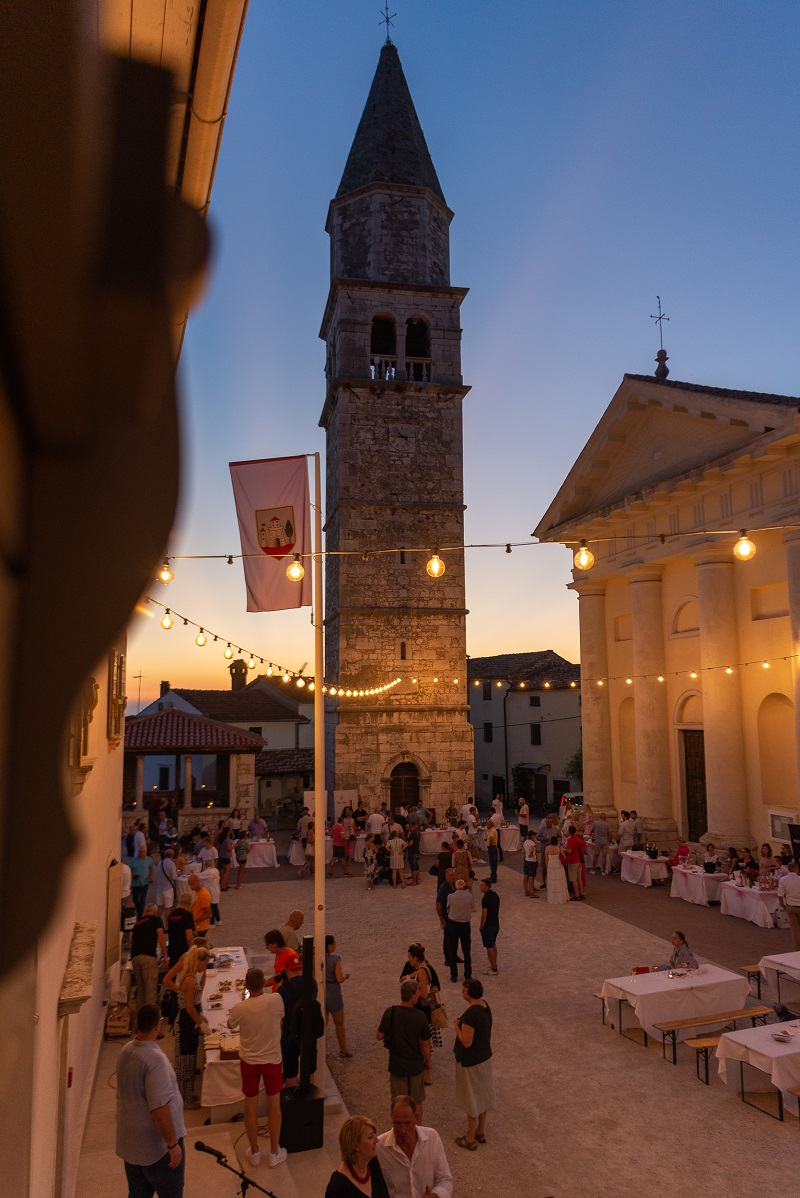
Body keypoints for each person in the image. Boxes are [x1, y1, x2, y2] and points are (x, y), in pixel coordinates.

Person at [116, 1003, 186, 1198]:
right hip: (156, 1148)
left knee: (138, 1193)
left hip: (132, 1143)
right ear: (157, 1026)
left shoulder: (127, 1050)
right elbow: (159, 1108)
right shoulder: (154, 1060)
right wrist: (172, 1144)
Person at [227, 966, 288, 1169]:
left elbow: (230, 1025)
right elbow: (281, 1015)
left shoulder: (240, 1008)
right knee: (274, 1106)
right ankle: (274, 1152)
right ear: (264, 983)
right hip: (272, 1059)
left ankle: (254, 1152)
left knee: (250, 1106)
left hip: (250, 1062)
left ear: (246, 986)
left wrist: (244, 1004)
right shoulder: (276, 1000)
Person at [376, 1094, 454, 1198]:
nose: (403, 1131)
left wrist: (435, 1196)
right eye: (397, 1124)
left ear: (417, 1118)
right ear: (391, 1117)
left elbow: (445, 1180)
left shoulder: (431, 1138)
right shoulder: (379, 1147)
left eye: (408, 1123)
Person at [377, 980, 431, 1120]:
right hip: (415, 1065)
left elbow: (379, 1036)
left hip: (397, 1064)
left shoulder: (391, 1012)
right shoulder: (421, 1017)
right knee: (417, 1101)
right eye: (418, 994)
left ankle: (400, 1131)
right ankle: (417, 1130)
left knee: (399, 1102)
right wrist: (428, 1061)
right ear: (413, 997)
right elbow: (426, 1043)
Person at [453, 979, 495, 1151]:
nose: (462, 991)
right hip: (484, 1058)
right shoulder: (485, 1005)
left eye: (464, 989)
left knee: (471, 1098)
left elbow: (466, 1042)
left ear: (470, 992)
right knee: (483, 1095)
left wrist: (456, 1025)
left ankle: (470, 1138)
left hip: (471, 1062)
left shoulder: (470, 1014)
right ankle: (480, 1131)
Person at [172, 945, 211, 1108]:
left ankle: (187, 1095)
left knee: (188, 1059)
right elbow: (189, 1007)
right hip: (186, 1023)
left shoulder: (189, 977)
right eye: (205, 963)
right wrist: (201, 1023)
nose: (206, 967)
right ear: (198, 962)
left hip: (187, 1021)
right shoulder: (191, 981)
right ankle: (185, 1100)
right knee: (186, 1062)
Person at [278, 952, 321, 1087]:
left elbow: (281, 1012)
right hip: (308, 1031)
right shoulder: (312, 983)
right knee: (309, 1073)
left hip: (290, 1034)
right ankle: (309, 1101)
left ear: (286, 970)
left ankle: (293, 1104)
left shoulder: (283, 989)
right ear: (300, 968)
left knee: (291, 1075)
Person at [325, 1115, 390, 1198]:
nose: (376, 1140)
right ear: (356, 1145)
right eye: (370, 1137)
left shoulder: (372, 1163)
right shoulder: (338, 1187)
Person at [131, 903, 168, 1013]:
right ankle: (150, 1024)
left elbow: (132, 941)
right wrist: (165, 955)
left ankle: (139, 1024)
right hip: (148, 957)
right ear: (155, 912)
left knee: (141, 992)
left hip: (135, 958)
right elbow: (161, 937)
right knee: (150, 992)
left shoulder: (137, 923)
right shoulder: (156, 920)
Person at [445, 879, 473, 983]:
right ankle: (468, 974)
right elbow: (470, 906)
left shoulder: (450, 897)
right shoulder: (469, 896)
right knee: (466, 951)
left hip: (453, 924)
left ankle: (454, 975)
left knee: (452, 950)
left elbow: (448, 908)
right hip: (465, 924)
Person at [436, 868, 457, 972]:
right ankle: (447, 957)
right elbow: (438, 904)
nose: (453, 877)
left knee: (454, 937)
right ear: (446, 876)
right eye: (451, 876)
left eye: (454, 875)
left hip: (455, 917)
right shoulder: (443, 888)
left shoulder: (456, 885)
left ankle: (454, 955)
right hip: (447, 917)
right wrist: (441, 919)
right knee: (447, 937)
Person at [479, 879, 500, 975]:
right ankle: (494, 964)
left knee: (489, 947)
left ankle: (494, 969)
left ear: (487, 886)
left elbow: (484, 914)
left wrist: (481, 926)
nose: (480, 887)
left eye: (482, 885)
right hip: (496, 924)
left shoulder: (485, 899)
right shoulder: (495, 895)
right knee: (493, 944)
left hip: (488, 926)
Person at [130, 842, 155, 919]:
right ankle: (137, 911)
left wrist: (151, 876)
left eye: (143, 852)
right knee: (136, 900)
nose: (142, 853)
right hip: (135, 883)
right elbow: (129, 869)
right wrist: (132, 874)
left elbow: (152, 868)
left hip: (145, 883)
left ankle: (140, 916)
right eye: (141, 852)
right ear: (138, 852)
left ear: (146, 852)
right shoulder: (133, 860)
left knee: (143, 900)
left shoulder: (149, 860)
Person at [778, 861, 800, 949]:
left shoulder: (783, 880)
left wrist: (783, 905)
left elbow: (780, 895)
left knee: (795, 930)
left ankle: (797, 949)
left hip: (790, 906)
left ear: (788, 869)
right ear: (796, 869)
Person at [155, 848, 179, 923]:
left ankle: (157, 924)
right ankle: (167, 926)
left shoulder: (160, 863)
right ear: (173, 855)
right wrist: (178, 874)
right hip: (168, 888)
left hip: (159, 888)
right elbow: (174, 877)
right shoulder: (172, 864)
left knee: (160, 907)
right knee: (168, 909)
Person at [565, 824, 587, 901]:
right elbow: (585, 844)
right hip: (579, 860)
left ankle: (577, 895)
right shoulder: (578, 838)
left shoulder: (570, 840)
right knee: (579, 878)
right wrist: (583, 852)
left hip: (573, 861)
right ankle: (582, 893)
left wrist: (565, 849)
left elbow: (569, 851)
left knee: (573, 879)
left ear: (569, 831)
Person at [545, 835, 569, 905]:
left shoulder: (547, 848)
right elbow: (564, 857)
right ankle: (560, 897)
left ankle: (553, 898)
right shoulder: (559, 848)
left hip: (551, 865)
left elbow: (546, 859)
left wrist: (547, 868)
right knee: (559, 879)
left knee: (552, 880)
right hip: (558, 865)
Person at [451, 839, 474, 908]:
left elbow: (453, 865)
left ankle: (460, 906)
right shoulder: (467, 852)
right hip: (466, 872)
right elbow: (471, 862)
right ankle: (473, 905)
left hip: (459, 873)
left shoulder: (454, 854)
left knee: (458, 890)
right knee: (470, 889)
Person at [216, 821, 234, 891]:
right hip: (226, 857)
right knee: (226, 872)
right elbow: (229, 848)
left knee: (221, 872)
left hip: (221, 856)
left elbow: (218, 847)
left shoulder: (221, 839)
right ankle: (223, 886)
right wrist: (234, 846)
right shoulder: (227, 839)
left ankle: (222, 884)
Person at [522, 830, 539, 898]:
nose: (535, 837)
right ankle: (532, 892)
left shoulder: (525, 841)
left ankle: (526, 890)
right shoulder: (532, 843)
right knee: (532, 876)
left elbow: (523, 851)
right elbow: (531, 850)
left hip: (526, 860)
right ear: (532, 836)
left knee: (526, 875)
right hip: (532, 861)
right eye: (534, 835)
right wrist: (531, 854)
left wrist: (528, 854)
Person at [406, 821, 421, 886]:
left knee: (413, 867)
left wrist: (406, 846)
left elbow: (411, 843)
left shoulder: (412, 833)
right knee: (416, 866)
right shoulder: (418, 832)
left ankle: (414, 881)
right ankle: (417, 880)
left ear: (411, 826)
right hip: (416, 850)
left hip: (412, 851)